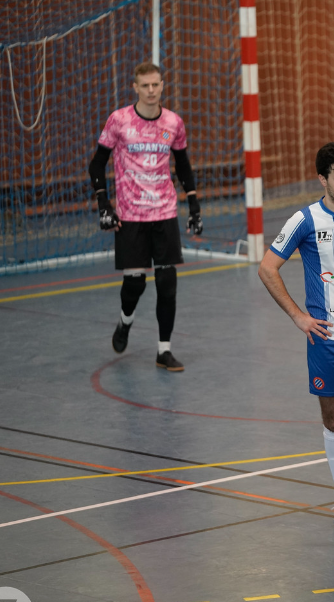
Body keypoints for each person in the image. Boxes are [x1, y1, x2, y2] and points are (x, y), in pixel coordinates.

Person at [258, 142, 334, 530]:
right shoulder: (304, 220)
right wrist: (298, 317)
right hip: (327, 339)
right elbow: (268, 268)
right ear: (322, 179)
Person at [90, 61, 202, 372]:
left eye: (156, 85)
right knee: (135, 284)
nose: (151, 91)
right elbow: (97, 164)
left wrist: (194, 206)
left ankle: (163, 350)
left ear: (162, 85)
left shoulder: (173, 123)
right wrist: (104, 205)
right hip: (131, 214)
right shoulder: (119, 120)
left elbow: (183, 166)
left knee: (167, 282)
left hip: (164, 211)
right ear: (136, 88)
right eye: (145, 86)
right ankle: (125, 321)